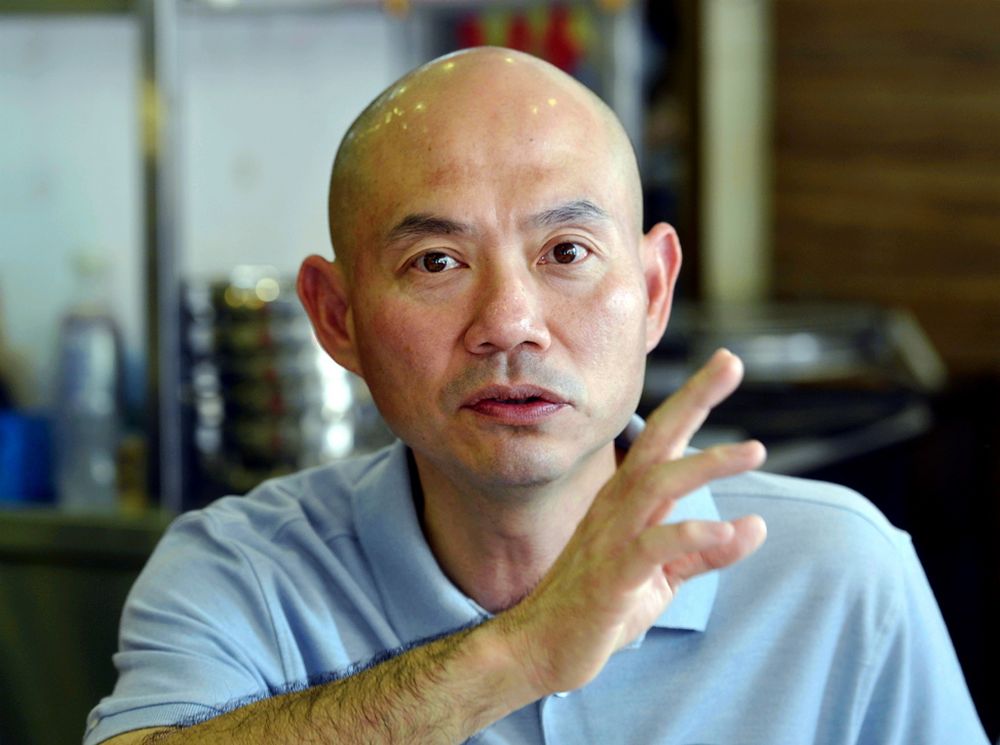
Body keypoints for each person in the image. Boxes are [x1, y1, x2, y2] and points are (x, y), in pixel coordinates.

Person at [85, 47, 988, 745]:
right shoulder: (241, 575)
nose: (510, 321)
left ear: (653, 291)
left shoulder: (836, 573)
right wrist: (520, 655)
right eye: (435, 262)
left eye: (566, 253)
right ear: (337, 316)